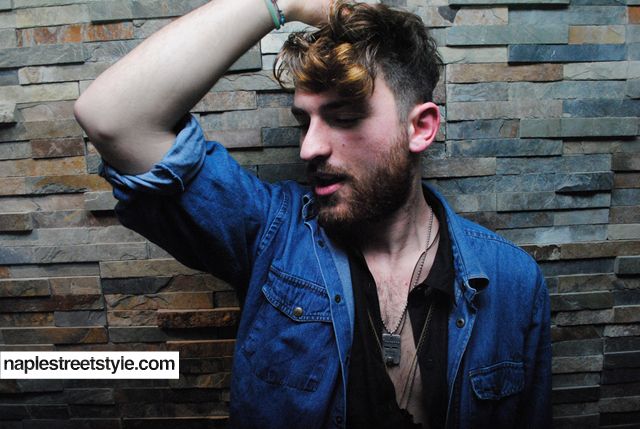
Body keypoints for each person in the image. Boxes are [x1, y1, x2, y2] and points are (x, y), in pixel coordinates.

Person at [74, 0, 552, 427]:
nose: (309, 148)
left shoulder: (513, 281)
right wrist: (284, 3)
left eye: (343, 118)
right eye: (304, 122)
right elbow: (113, 118)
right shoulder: (273, 234)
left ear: (421, 128)